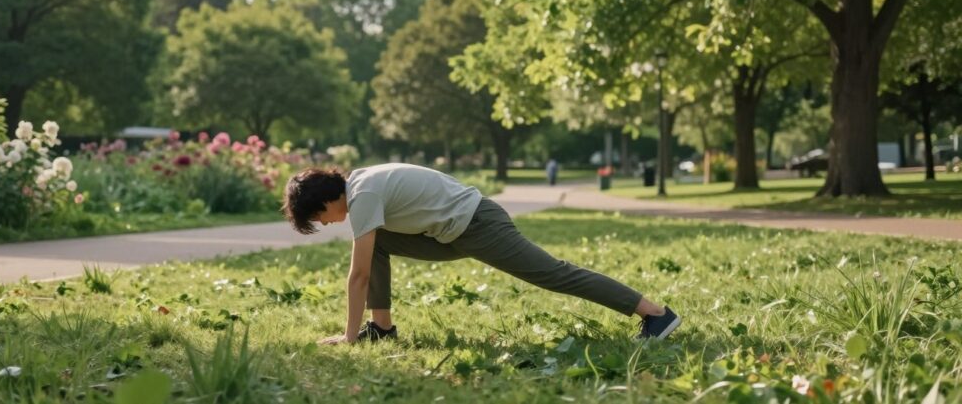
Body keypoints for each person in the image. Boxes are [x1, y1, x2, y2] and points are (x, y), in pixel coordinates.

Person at [283, 163, 681, 345]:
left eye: (320, 218)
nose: (328, 224)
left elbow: (358, 276)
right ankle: (382, 329)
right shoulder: (362, 184)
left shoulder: (362, 195)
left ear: (326, 201)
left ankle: (655, 314)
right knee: (380, 244)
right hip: (450, 233)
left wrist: (347, 336)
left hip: (479, 225)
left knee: (554, 274)